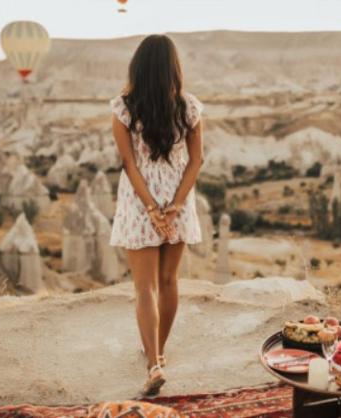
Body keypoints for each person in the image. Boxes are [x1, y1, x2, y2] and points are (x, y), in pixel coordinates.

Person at [109, 34, 204, 396]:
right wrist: (176, 205)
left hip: (139, 200)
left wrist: (150, 207)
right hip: (178, 197)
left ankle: (152, 364)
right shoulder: (189, 107)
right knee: (169, 282)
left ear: (138, 67)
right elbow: (197, 161)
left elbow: (129, 164)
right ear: (173, 68)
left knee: (144, 287)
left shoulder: (123, 108)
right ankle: (159, 353)